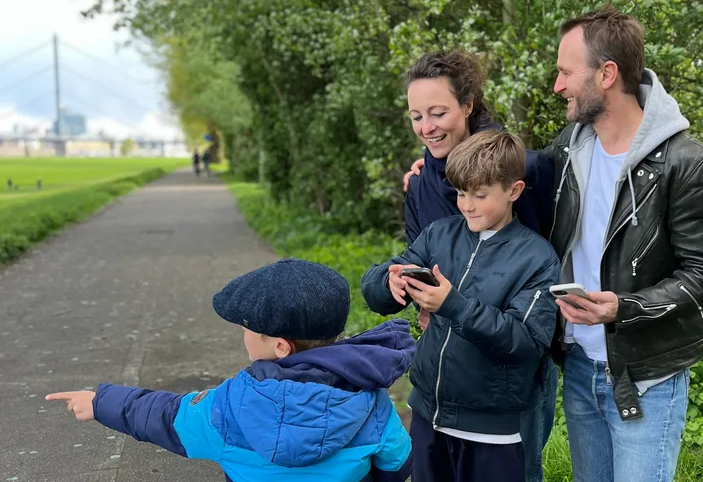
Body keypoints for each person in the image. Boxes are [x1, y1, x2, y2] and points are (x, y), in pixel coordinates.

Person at [544, 6, 703, 481]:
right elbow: (503, 177)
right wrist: (436, 165)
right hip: (580, 368)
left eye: (566, 72)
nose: (558, 85)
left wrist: (623, 309)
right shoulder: (567, 149)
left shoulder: (689, 164)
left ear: (607, 74)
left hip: (645, 378)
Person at [47, 259, 415, 482]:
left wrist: (100, 402)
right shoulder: (371, 400)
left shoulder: (229, 406)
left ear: (280, 347)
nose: (243, 335)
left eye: (247, 329)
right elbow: (397, 465)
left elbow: (164, 416)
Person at [361, 131, 560, 482]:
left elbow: (526, 343)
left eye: (480, 195)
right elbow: (379, 285)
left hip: (493, 433)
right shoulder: (439, 234)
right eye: (461, 193)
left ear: (514, 191)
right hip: (428, 417)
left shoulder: (537, 258)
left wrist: (453, 305)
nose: (467, 205)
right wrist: (386, 283)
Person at [402, 50, 558, 482]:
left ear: (468, 106)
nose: (427, 127)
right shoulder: (420, 182)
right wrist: (417, 298)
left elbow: (547, 251)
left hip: (506, 373)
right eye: (416, 116)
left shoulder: (527, 168)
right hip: (444, 377)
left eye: (438, 113)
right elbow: (415, 255)